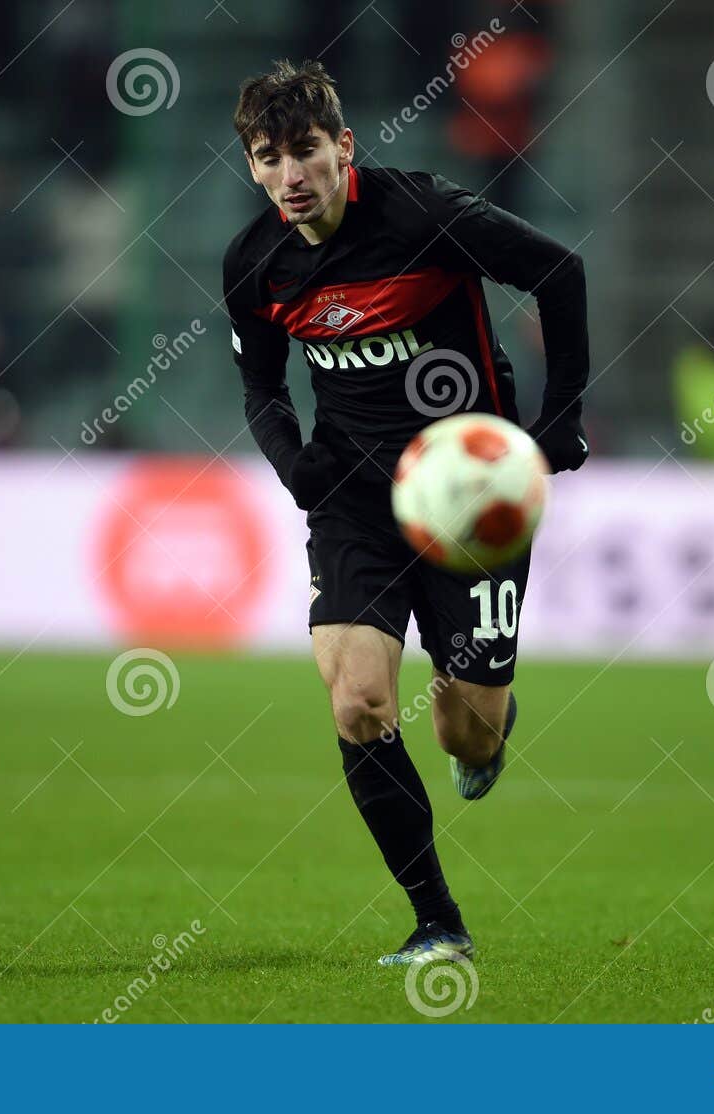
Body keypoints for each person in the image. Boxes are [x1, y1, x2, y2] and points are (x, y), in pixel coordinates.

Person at [221, 60, 590, 966]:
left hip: (470, 497)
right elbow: (262, 389)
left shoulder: (425, 218)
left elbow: (560, 271)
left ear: (343, 148)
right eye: (269, 158)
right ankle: (438, 922)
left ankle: (488, 725)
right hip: (353, 499)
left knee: (462, 726)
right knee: (358, 702)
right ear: (255, 168)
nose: (290, 175)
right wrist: (293, 465)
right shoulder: (254, 264)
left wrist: (561, 417)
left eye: (305, 150)